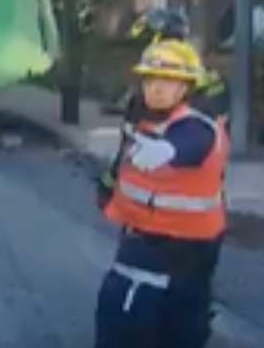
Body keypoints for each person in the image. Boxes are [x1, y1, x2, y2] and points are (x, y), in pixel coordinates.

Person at [95, 40, 228, 348]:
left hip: (180, 246)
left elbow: (194, 141)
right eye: (151, 79)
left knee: (146, 320)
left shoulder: (195, 123)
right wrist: (107, 186)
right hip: (150, 238)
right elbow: (125, 158)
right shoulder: (142, 114)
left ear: (186, 87)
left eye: (168, 82)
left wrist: (168, 149)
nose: (156, 88)